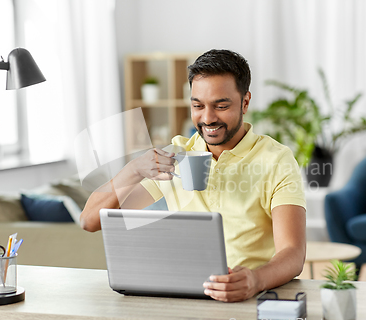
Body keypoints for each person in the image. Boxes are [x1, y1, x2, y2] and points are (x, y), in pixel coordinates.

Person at [80, 49, 306, 302]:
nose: (208, 118)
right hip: (182, 295)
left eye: (221, 106)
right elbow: (89, 221)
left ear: (245, 102)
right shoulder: (176, 154)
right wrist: (133, 170)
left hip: (247, 297)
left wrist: (255, 280)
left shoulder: (276, 159)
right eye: (198, 106)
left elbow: (293, 253)